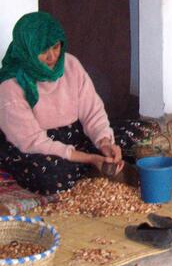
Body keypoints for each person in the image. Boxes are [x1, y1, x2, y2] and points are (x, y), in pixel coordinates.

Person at [0, 11, 156, 195]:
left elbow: (92, 111)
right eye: (43, 51)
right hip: (35, 146)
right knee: (52, 176)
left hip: (73, 135)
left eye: (56, 46)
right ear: (27, 49)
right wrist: (90, 158)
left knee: (144, 130)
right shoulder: (10, 85)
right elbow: (33, 141)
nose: (52, 57)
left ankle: (95, 166)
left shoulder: (70, 64)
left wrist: (104, 142)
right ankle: (91, 167)